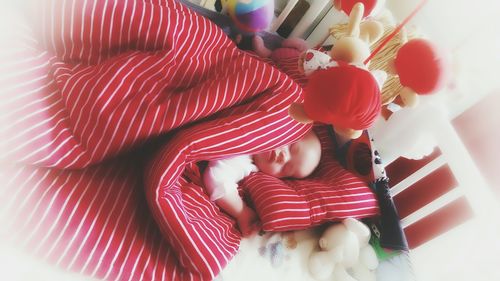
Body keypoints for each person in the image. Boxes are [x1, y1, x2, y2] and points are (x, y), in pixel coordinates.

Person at [203, 129, 322, 236]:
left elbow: (217, 178)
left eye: (286, 168)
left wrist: (242, 212)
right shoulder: (269, 121)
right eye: (291, 146)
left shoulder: (243, 162)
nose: (284, 158)